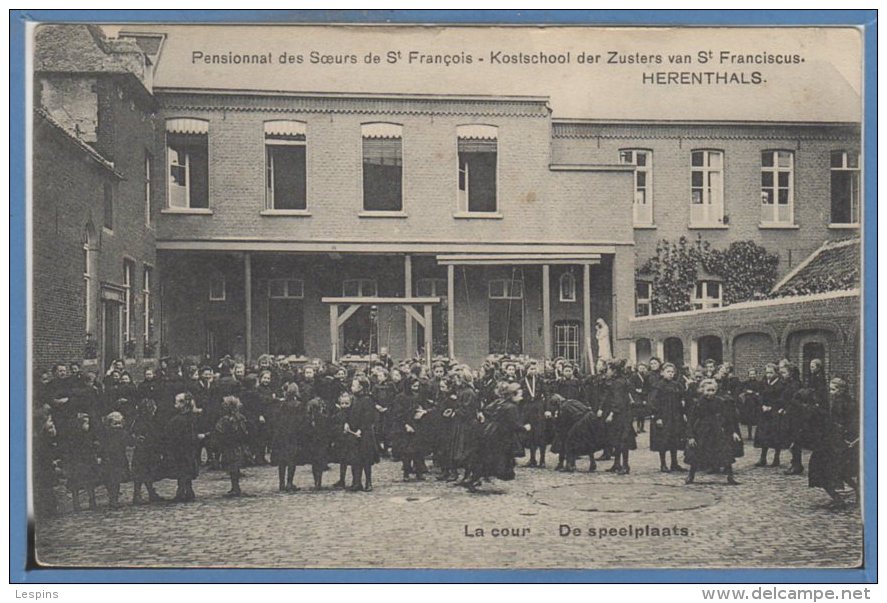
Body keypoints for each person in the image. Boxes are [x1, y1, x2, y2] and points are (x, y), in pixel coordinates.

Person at [463, 382, 529, 493]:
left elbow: (487, 410)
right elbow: (514, 424)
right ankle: (477, 480)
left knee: (487, 457)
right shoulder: (511, 407)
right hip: (501, 437)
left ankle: (476, 478)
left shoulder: (500, 402)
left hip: (491, 433)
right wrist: (525, 428)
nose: (521, 398)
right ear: (513, 394)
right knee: (496, 459)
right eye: (520, 395)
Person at [684, 379, 742, 486]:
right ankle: (691, 475)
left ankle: (730, 476)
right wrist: (690, 436)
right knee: (697, 454)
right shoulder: (698, 403)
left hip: (717, 431)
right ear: (702, 390)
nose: (710, 393)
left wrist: (733, 432)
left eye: (713, 390)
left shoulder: (720, 402)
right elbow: (690, 421)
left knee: (725, 453)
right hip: (702, 431)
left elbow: (727, 419)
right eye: (708, 390)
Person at [648, 362, 687, 473]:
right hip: (664, 416)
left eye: (672, 372)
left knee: (674, 439)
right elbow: (653, 402)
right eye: (668, 372)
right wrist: (657, 417)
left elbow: (681, 400)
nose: (670, 374)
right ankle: (663, 464)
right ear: (662, 373)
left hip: (675, 416)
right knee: (663, 440)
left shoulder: (676, 385)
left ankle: (674, 463)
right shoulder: (658, 386)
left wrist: (682, 412)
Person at [166, 393, 204, 502]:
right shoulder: (189, 417)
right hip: (188, 447)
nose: (175, 404)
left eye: (177, 402)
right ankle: (188, 490)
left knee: (183, 469)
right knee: (185, 468)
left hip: (182, 447)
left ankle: (182, 491)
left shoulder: (180, 419)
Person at [344, 375, 380, 492]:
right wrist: (346, 423)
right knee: (355, 459)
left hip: (365, 434)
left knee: (366, 459)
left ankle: (368, 482)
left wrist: (361, 429)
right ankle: (356, 482)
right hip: (353, 432)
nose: (352, 387)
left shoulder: (367, 400)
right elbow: (348, 413)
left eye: (354, 385)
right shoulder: (353, 399)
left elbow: (369, 417)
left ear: (361, 387)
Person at [602, 360, 637, 475]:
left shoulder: (618, 383)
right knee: (617, 440)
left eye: (609, 369)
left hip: (621, 415)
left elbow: (618, 401)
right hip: (624, 414)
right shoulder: (621, 381)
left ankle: (625, 465)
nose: (607, 372)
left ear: (614, 371)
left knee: (622, 440)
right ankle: (617, 464)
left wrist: (612, 413)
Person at [392, 378, 429, 481]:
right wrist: (406, 425)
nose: (416, 389)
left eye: (417, 386)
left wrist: (423, 412)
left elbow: (423, 407)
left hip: (417, 425)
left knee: (418, 450)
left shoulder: (418, 396)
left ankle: (419, 471)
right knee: (406, 451)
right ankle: (406, 472)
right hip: (405, 427)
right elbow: (398, 414)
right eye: (414, 386)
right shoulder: (400, 397)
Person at [213, 396, 251, 497]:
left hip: (229, 445)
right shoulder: (240, 417)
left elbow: (220, 431)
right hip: (238, 445)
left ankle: (235, 487)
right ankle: (235, 486)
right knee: (235, 466)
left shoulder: (226, 419)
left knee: (232, 466)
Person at [129, 399, 165, 504]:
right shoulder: (141, 421)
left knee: (147, 473)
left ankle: (150, 493)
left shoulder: (150, 420)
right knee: (140, 474)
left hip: (149, 450)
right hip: (143, 451)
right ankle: (137, 495)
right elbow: (136, 434)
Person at [271, 383, 302, 492]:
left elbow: (276, 420)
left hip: (281, 435)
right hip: (293, 435)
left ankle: (281, 483)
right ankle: (289, 482)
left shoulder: (281, 405)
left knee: (282, 461)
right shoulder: (298, 405)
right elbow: (300, 422)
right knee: (291, 460)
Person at [754, 363, 785, 467]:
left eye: (771, 372)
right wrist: (762, 405)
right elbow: (760, 395)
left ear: (776, 373)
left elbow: (781, 398)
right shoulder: (763, 383)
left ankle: (776, 458)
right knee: (763, 434)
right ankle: (763, 457)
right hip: (764, 412)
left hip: (774, 412)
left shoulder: (780, 384)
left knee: (776, 435)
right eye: (767, 372)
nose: (768, 375)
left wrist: (772, 407)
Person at [100, 411, 131, 509]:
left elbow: (129, 442)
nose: (117, 426)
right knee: (110, 480)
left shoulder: (123, 433)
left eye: (119, 423)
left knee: (117, 480)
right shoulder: (106, 435)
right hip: (109, 459)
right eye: (115, 424)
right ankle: (112, 499)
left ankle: (115, 499)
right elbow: (102, 447)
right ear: (109, 424)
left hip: (119, 459)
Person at [520, 361, 548, 467]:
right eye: (531, 369)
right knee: (530, 435)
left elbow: (547, 395)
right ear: (526, 370)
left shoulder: (541, 381)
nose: (533, 371)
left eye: (534, 369)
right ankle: (532, 459)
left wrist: (547, 409)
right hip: (527, 409)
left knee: (540, 434)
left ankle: (542, 460)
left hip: (538, 409)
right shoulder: (522, 381)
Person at [630, 362, 651, 433]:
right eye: (640, 368)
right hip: (637, 396)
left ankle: (642, 427)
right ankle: (638, 427)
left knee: (643, 413)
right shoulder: (634, 376)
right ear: (637, 368)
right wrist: (636, 389)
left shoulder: (645, 376)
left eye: (643, 368)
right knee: (639, 412)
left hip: (644, 395)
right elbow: (631, 386)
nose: (642, 369)